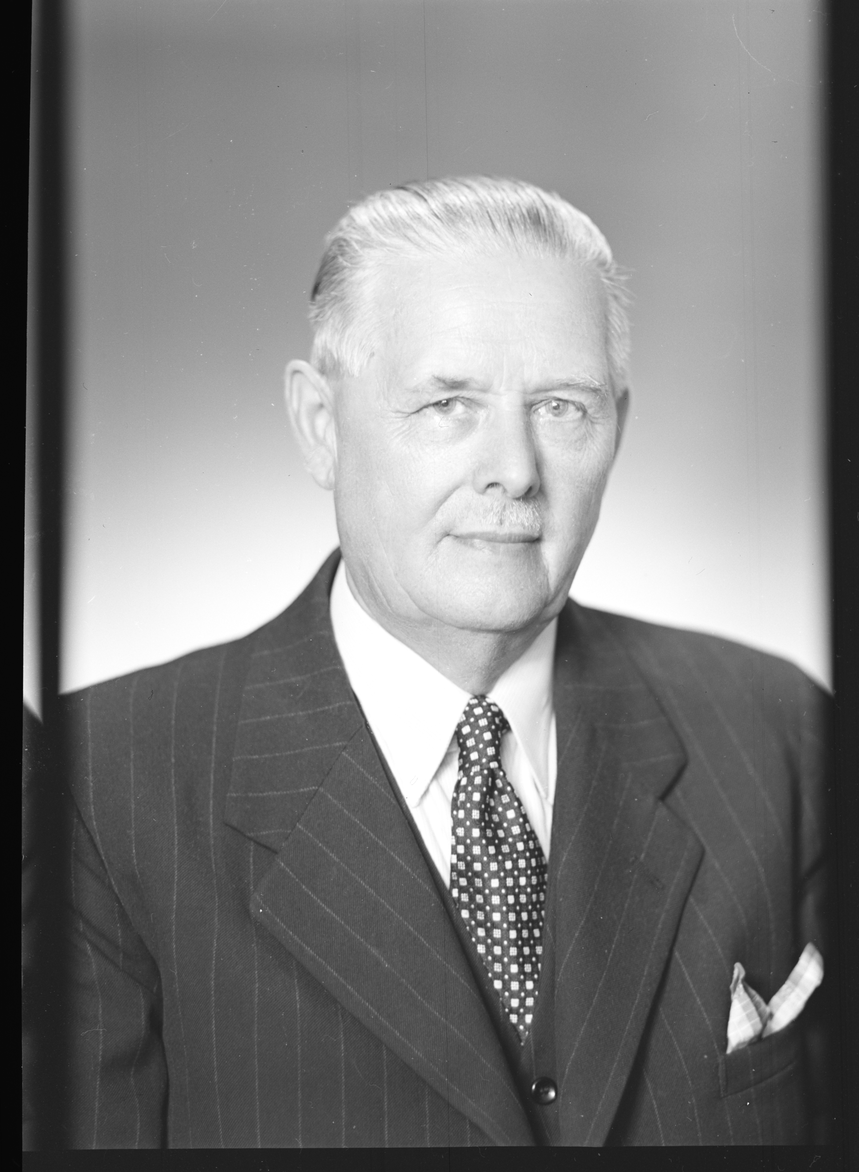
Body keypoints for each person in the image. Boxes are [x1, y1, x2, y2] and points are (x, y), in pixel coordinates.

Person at [61, 176, 834, 1147]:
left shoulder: (776, 732)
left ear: (619, 428)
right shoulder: (100, 783)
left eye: (562, 407)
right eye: (446, 404)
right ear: (318, 424)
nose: (514, 468)